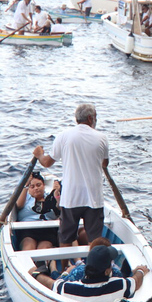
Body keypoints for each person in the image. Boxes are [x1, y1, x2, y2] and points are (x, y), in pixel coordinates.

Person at [33, 104, 109, 263]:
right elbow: (105, 164)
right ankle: (94, 268)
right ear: (90, 118)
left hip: (71, 197)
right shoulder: (102, 138)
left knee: (66, 237)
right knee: (94, 239)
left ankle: (65, 270)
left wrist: (40, 154)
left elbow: (47, 163)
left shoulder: (63, 136)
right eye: (95, 117)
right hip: (93, 197)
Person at [32, 245, 150, 302]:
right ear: (107, 271)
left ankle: (52, 266)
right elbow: (136, 281)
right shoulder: (120, 285)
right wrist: (140, 271)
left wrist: (36, 274)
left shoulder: (68, 288)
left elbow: (51, 283)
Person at [14, 172, 61, 251]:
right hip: (28, 230)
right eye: (32, 187)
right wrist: (25, 185)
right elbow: (18, 205)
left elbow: (59, 209)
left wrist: (56, 193)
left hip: (48, 230)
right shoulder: (26, 199)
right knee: (28, 246)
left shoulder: (50, 198)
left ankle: (44, 262)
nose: (36, 188)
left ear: (44, 186)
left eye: (38, 185)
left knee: (44, 248)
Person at [56, 237, 124, 282]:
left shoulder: (78, 272)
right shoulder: (116, 273)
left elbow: (58, 284)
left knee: (52, 276)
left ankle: (52, 266)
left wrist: (66, 272)